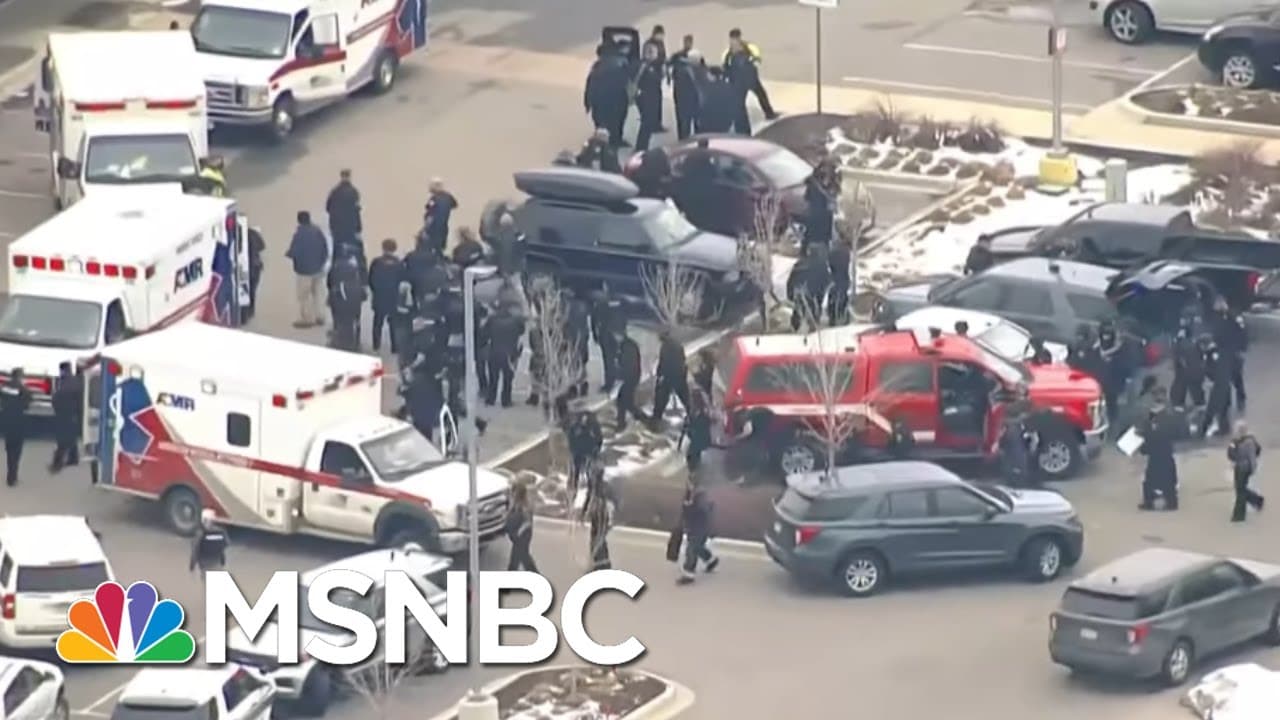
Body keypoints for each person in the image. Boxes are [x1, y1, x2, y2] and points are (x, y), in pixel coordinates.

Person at [286, 210, 329, 328]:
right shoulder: (317, 231)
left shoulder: (299, 234)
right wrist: (322, 262)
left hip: (304, 270)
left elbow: (294, 251)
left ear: (299, 220)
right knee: (318, 293)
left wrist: (289, 254)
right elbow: (325, 248)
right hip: (318, 268)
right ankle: (320, 316)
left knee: (304, 295)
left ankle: (307, 319)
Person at [1138, 392, 1179, 511]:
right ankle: (1157, 501)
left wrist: (1144, 443)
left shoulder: (1164, 419)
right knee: (1157, 479)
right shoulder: (1159, 417)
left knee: (1159, 480)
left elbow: (1154, 435)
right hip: (1161, 454)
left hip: (1161, 453)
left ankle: (1163, 502)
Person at [583, 42, 630, 146]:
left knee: (601, 123)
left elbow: (590, 85)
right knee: (617, 123)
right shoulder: (621, 62)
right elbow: (625, 82)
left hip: (599, 101)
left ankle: (601, 143)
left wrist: (587, 102)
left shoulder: (597, 66)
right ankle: (616, 140)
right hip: (617, 100)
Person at [723, 29, 776, 120]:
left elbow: (757, 60)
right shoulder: (728, 53)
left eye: (735, 39)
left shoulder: (749, 48)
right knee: (740, 102)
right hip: (742, 81)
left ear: (739, 38)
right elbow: (726, 68)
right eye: (733, 39)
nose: (734, 41)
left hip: (748, 80)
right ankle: (767, 114)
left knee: (760, 95)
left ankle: (769, 114)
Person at [676, 479, 719, 585]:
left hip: (699, 528)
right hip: (695, 527)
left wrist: (688, 507)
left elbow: (699, 511)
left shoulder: (700, 496)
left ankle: (688, 574)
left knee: (691, 549)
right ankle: (711, 560)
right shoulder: (693, 494)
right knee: (697, 547)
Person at [1209, 297, 1247, 411]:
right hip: (1222, 352)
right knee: (1224, 378)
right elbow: (1215, 334)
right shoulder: (1216, 317)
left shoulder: (1234, 316)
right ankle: (1226, 402)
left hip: (1234, 351)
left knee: (1236, 377)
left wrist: (1242, 349)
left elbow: (1243, 333)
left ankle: (1241, 398)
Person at [483, 302, 524, 407]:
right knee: (508, 379)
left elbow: (485, 334)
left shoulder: (492, 320)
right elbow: (522, 331)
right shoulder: (516, 320)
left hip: (494, 352)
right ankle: (506, 400)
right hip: (510, 354)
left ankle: (491, 399)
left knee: (493, 378)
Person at [367, 239, 404, 353]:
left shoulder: (376, 262)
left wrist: (375, 291)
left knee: (378, 322)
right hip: (393, 297)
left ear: (383, 248)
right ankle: (395, 347)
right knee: (394, 324)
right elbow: (402, 279)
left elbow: (370, 279)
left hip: (379, 296)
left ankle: (376, 344)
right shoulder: (399, 263)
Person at [1227, 421, 1264, 522]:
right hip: (1238, 467)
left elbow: (1252, 457)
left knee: (1240, 491)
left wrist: (1253, 469)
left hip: (1244, 469)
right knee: (1240, 489)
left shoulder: (1248, 442)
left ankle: (1239, 515)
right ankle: (1256, 500)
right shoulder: (1236, 440)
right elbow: (1232, 453)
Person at [327, 254, 365, 351]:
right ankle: (356, 342)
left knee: (341, 324)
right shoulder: (357, 284)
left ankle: (341, 342)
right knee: (356, 324)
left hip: (342, 309)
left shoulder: (340, 285)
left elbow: (333, 292)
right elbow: (363, 296)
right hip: (355, 309)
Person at [667, 38, 703, 140]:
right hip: (684, 94)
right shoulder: (678, 56)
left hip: (685, 94)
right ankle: (689, 139)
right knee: (686, 120)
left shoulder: (682, 58)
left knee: (685, 120)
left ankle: (686, 139)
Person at [651, 329, 690, 423]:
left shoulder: (665, 347)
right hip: (680, 374)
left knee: (661, 396)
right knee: (684, 397)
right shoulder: (677, 344)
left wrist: (659, 374)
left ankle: (656, 418)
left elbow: (663, 362)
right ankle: (691, 414)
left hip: (669, 376)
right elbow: (683, 359)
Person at [49, 362, 82, 473]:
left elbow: (57, 398)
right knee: (71, 437)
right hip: (72, 414)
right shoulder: (73, 381)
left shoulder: (65, 383)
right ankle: (73, 458)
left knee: (62, 440)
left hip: (65, 414)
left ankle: (57, 464)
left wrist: (56, 408)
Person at [590, 286, 624, 392]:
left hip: (607, 337)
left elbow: (594, 322)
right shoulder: (615, 304)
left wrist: (596, 335)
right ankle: (615, 379)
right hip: (612, 336)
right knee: (613, 359)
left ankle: (610, 382)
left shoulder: (599, 306)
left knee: (609, 361)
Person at [633, 41, 665, 151]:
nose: (657, 55)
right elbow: (644, 81)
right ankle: (641, 147)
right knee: (646, 124)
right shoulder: (644, 67)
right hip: (646, 98)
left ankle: (642, 146)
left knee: (648, 124)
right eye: (655, 52)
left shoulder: (653, 66)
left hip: (650, 97)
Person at [615, 324, 648, 431]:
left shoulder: (627, 347)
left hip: (631, 377)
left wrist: (621, 374)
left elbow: (628, 364)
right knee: (627, 401)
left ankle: (622, 423)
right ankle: (640, 418)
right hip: (633, 376)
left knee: (622, 400)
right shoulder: (627, 345)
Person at [582, 467, 616, 571]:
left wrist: (584, 511)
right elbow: (589, 498)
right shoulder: (599, 486)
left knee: (598, 538)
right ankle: (599, 562)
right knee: (597, 538)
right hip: (598, 515)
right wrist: (584, 512)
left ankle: (600, 563)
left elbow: (610, 501)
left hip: (601, 514)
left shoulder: (601, 487)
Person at [566, 405, 604, 495]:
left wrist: (596, 449)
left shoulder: (591, 424)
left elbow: (599, 438)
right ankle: (576, 485)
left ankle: (590, 486)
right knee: (578, 468)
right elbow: (571, 440)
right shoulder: (575, 427)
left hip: (587, 451)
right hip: (582, 451)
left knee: (586, 469)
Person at [1169, 318, 1206, 409]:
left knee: (1181, 384)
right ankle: (1199, 403)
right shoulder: (1193, 342)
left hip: (1186, 368)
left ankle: (1178, 403)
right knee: (1194, 385)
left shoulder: (1180, 343)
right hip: (1194, 368)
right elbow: (1201, 355)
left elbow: (1177, 355)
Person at [325, 169, 362, 253]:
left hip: (337, 226)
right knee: (352, 250)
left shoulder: (334, 191)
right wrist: (358, 228)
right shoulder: (354, 192)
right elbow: (356, 211)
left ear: (341, 177)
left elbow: (328, 208)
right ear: (349, 177)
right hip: (351, 226)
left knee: (337, 250)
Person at [1202, 339, 1233, 438]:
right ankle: (1224, 429)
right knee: (1222, 408)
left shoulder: (1211, 353)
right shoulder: (1221, 351)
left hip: (1218, 384)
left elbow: (1210, 369)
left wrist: (1211, 379)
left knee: (1213, 407)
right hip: (1224, 383)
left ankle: (1204, 429)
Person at [721, 46, 756, 135]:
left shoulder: (739, 59)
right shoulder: (734, 57)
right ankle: (743, 130)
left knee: (738, 108)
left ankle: (742, 130)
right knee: (739, 108)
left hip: (738, 86)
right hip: (738, 86)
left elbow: (729, 71)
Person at [505, 483, 538, 571]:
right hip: (518, 536)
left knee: (516, 560)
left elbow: (528, 523)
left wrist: (518, 532)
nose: (511, 494)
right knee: (524, 558)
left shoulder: (524, 507)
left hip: (522, 536)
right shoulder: (515, 505)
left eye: (513, 492)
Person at [565, 290, 592, 397]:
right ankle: (582, 384)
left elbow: (565, 323)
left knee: (572, 363)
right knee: (581, 362)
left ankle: (574, 387)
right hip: (581, 338)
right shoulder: (583, 306)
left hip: (572, 338)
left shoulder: (568, 307)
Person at [189, 509, 229, 579]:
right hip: (217, 563)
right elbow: (225, 545)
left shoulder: (200, 533)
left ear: (204, 520)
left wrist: (192, 566)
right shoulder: (221, 531)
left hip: (205, 565)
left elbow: (195, 550)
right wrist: (223, 562)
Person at [695, 66, 736, 133]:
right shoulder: (728, 87)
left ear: (712, 75)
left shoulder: (706, 88)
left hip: (707, 121)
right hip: (724, 121)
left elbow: (703, 104)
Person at [681, 390, 714, 473]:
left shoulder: (703, 412)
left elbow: (703, 425)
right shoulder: (694, 411)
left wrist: (690, 426)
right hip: (696, 439)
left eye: (692, 399)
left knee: (692, 456)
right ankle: (695, 472)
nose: (690, 401)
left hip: (700, 439)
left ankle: (695, 473)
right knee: (692, 456)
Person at [423, 179, 458, 253]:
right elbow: (455, 205)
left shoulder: (434, 199)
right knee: (441, 246)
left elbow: (429, 211)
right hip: (444, 225)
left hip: (434, 227)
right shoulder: (448, 196)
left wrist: (426, 227)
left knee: (433, 246)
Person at [802, 173, 834, 250]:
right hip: (817, 214)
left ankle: (806, 248)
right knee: (812, 233)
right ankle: (805, 249)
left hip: (819, 215)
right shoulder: (813, 186)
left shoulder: (828, 188)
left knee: (813, 233)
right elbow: (807, 200)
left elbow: (806, 200)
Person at [491, 212, 526, 278]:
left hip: (505, 268)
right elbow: (523, 248)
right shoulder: (517, 234)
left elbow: (497, 251)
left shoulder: (499, 236)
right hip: (514, 268)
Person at [827, 236, 852, 325]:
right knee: (842, 297)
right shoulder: (845, 252)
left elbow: (830, 265)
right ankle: (841, 315)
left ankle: (833, 317)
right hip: (844, 278)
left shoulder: (833, 252)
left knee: (834, 297)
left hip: (835, 278)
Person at [243, 226, 265, 324]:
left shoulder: (239, 232)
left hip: (244, 266)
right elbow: (262, 247)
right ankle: (251, 311)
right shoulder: (254, 234)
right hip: (255, 266)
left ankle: (244, 311)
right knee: (253, 290)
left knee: (244, 289)